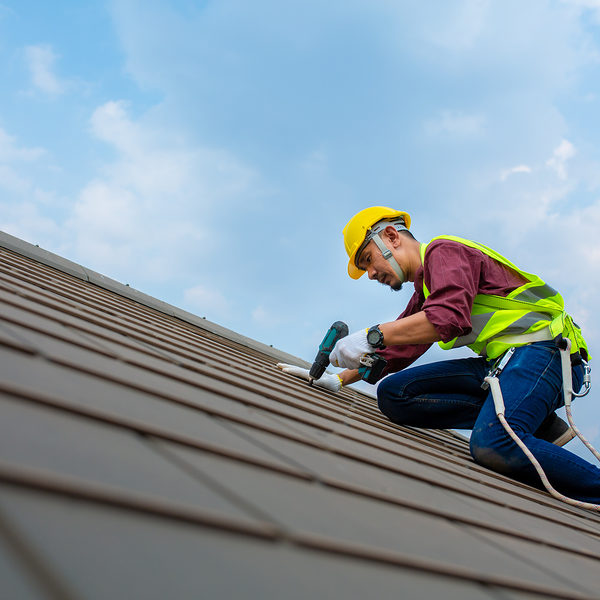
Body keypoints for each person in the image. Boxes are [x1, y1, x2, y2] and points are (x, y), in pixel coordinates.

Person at [279, 206, 600, 503]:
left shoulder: (444, 252)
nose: (371, 274)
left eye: (367, 259)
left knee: (492, 444)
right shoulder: (427, 287)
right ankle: (536, 421)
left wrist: (370, 335)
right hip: (506, 365)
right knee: (394, 395)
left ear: (391, 236)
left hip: (546, 355)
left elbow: (446, 318)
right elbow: (398, 347)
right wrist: (339, 379)